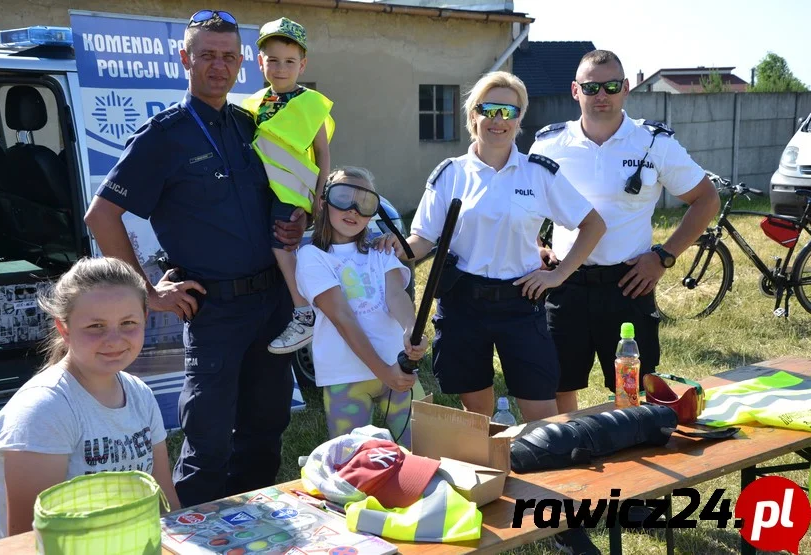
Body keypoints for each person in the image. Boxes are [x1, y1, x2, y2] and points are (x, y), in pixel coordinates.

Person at [83, 10, 307, 508]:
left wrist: (298, 221)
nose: (219, 66)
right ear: (186, 58)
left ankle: (258, 531)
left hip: (271, 304)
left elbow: (287, 190)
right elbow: (101, 217)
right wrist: (146, 292)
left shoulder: (253, 125)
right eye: (207, 55)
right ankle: (191, 537)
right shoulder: (164, 136)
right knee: (208, 443)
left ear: (241, 64)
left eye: (229, 56)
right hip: (214, 310)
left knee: (265, 430)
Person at [403, 71, 606, 425]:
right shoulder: (451, 174)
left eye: (509, 112)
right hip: (463, 302)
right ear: (473, 116)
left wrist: (558, 275)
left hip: (520, 302)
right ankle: (494, 476)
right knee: (477, 416)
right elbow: (421, 240)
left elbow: (593, 225)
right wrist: (387, 249)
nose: (499, 120)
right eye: (490, 109)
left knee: (541, 414)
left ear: (519, 120)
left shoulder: (538, 173)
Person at [530, 50, 720, 415]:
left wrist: (663, 257)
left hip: (627, 283)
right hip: (564, 283)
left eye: (612, 85)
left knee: (631, 390)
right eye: (592, 87)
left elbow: (706, 199)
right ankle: (567, 458)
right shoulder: (549, 145)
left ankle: (633, 459)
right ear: (575, 91)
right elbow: (523, 205)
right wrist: (534, 244)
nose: (602, 94)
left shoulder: (653, 143)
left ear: (626, 88)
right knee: (557, 384)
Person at [0, 257, 181, 542]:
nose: (114, 339)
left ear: (144, 321)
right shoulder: (42, 409)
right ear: (64, 329)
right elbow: (29, 540)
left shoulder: (140, 394)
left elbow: (166, 505)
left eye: (128, 322)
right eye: (96, 326)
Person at [296, 167, 428, 447]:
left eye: (364, 203)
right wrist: (383, 371)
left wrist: (410, 329)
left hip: (399, 369)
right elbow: (342, 317)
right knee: (354, 464)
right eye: (344, 198)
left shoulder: (380, 251)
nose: (353, 210)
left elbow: (396, 295)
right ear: (324, 202)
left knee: (428, 449)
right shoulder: (312, 257)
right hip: (346, 377)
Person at [242, 17, 334, 355]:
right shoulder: (251, 105)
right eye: (273, 60)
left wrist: (318, 199)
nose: (281, 68)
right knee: (273, 249)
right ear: (260, 62)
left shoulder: (311, 103)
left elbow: (323, 154)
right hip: (262, 192)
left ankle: (304, 312)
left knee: (283, 246)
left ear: (303, 64)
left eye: (290, 61)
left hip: (294, 192)